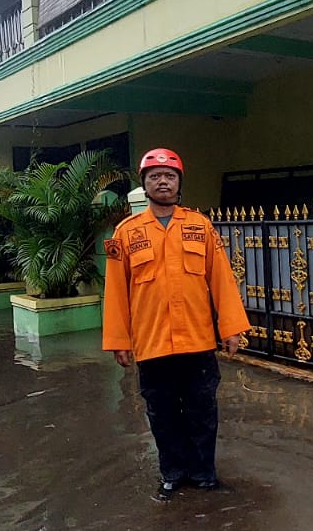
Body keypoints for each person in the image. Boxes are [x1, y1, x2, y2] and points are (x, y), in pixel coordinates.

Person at [102, 148, 251, 502]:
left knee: (203, 411)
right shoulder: (126, 233)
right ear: (145, 184)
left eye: (169, 176)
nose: (163, 182)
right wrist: (119, 340)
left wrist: (231, 327)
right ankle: (172, 473)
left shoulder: (200, 226)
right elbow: (116, 292)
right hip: (152, 343)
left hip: (198, 341)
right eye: (155, 177)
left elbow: (221, 279)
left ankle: (203, 473)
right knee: (162, 413)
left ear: (179, 182)